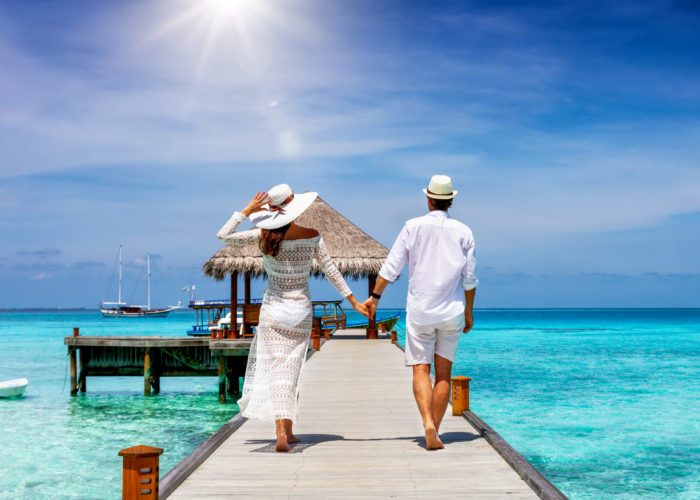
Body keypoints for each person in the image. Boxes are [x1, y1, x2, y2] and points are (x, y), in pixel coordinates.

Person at [217, 185, 369, 452]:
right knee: (292, 370)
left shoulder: (261, 237)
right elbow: (332, 272)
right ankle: (287, 431)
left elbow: (223, 235)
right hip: (299, 311)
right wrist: (354, 301)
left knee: (277, 370)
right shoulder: (312, 236)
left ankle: (282, 432)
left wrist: (246, 211)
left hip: (273, 311)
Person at [364, 174, 478, 450]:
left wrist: (375, 297)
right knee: (443, 375)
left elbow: (391, 268)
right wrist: (469, 313)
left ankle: (427, 422)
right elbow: (469, 278)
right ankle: (434, 430)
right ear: (450, 201)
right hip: (451, 312)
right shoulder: (464, 231)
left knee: (420, 370)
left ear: (428, 199)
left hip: (420, 312)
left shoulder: (412, 227)